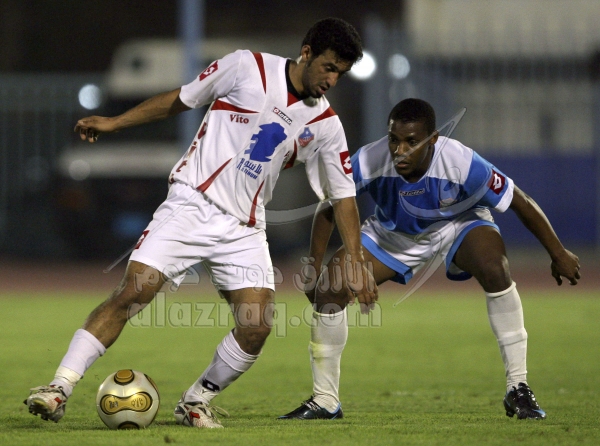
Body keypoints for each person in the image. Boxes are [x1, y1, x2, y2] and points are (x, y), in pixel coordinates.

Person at [24, 17, 378, 429]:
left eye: (340, 73)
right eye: (329, 67)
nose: (331, 80)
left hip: (244, 227)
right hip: (191, 204)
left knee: (257, 326)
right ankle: (58, 388)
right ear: (306, 52)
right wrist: (115, 123)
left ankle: (196, 400)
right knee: (132, 293)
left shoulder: (326, 125)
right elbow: (180, 99)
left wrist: (356, 259)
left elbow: (343, 197)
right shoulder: (246, 67)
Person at [279, 98, 580, 421]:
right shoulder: (368, 159)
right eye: (394, 139)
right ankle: (326, 400)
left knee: (496, 268)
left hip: (457, 224)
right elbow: (330, 205)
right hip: (393, 234)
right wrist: (313, 267)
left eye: (412, 141)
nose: (400, 150)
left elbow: (520, 200)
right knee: (330, 290)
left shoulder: (462, 162)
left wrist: (558, 253)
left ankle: (518, 387)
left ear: (433, 139)